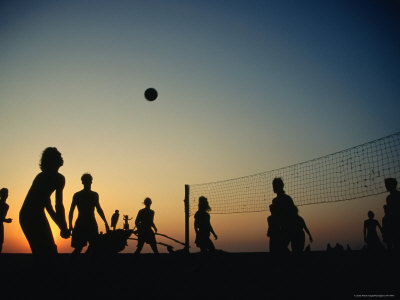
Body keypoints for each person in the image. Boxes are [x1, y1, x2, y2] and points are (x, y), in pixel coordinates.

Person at [19, 147, 70, 254]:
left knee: (46, 250)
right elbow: (58, 205)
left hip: (33, 214)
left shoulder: (48, 177)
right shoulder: (53, 178)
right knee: (46, 250)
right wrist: (63, 227)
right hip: (29, 215)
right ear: (53, 160)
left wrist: (62, 227)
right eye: (59, 155)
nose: (62, 157)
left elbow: (50, 206)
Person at [69, 173, 109, 254]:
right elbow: (71, 211)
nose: (88, 182)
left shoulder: (91, 195)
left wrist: (105, 222)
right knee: (81, 247)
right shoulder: (79, 195)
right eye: (86, 181)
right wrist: (70, 225)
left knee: (92, 246)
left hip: (87, 222)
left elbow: (99, 209)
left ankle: (83, 263)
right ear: (83, 182)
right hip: (84, 223)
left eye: (88, 181)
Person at [271, 178, 297, 252]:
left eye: (275, 185)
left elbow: (293, 213)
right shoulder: (275, 200)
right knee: (279, 248)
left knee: (280, 247)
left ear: (280, 186)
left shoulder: (286, 199)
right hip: (280, 229)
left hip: (289, 228)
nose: (273, 187)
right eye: (273, 185)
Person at [384, 178, 400, 249]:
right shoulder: (388, 198)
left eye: (387, 185)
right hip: (392, 222)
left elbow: (391, 211)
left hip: (395, 221)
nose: (386, 186)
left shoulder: (391, 197)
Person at [0, 188, 12, 253]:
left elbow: (1, 218)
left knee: (0, 243)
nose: (6, 195)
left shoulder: (6, 206)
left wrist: (6, 220)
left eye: (6, 193)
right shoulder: (5, 206)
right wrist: (6, 220)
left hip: (1, 226)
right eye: (4, 193)